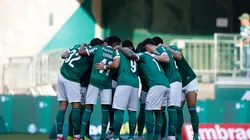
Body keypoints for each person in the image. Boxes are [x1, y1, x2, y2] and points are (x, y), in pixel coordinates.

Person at [118, 38, 170, 140]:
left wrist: (120, 48)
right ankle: (157, 137)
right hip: (166, 84)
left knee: (148, 110)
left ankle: (150, 137)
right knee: (159, 112)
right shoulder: (154, 57)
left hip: (156, 85)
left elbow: (131, 55)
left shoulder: (143, 55)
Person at [57, 39, 102, 140]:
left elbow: (63, 55)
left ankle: (59, 136)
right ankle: (77, 136)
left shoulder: (77, 45)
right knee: (77, 106)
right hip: (73, 79)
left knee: (63, 106)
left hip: (62, 74)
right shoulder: (93, 53)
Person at [78, 36, 121, 140]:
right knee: (105, 109)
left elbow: (81, 52)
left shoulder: (98, 48)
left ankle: (81, 136)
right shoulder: (116, 53)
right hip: (106, 83)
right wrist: (106, 67)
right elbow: (116, 65)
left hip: (94, 81)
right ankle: (102, 137)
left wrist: (82, 45)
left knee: (88, 108)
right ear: (116, 44)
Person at [96, 40, 139, 140]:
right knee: (132, 112)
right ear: (131, 47)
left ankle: (115, 137)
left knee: (118, 110)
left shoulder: (118, 51)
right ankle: (131, 137)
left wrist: (105, 67)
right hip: (135, 84)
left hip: (124, 82)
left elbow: (115, 64)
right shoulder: (134, 54)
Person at [152, 37, 183, 140]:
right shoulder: (164, 50)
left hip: (173, 80)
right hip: (168, 82)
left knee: (171, 108)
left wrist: (152, 55)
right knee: (162, 109)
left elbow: (169, 58)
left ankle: (172, 136)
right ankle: (162, 137)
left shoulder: (159, 49)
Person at [168, 45, 199, 140]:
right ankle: (178, 135)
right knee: (178, 109)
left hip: (189, 80)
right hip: (178, 83)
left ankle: (196, 135)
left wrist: (166, 48)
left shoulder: (171, 48)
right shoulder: (161, 57)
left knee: (192, 107)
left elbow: (178, 56)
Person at [135, 43, 149, 140]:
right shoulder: (149, 58)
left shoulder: (141, 61)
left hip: (150, 88)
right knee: (157, 112)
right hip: (146, 88)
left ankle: (141, 135)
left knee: (143, 111)